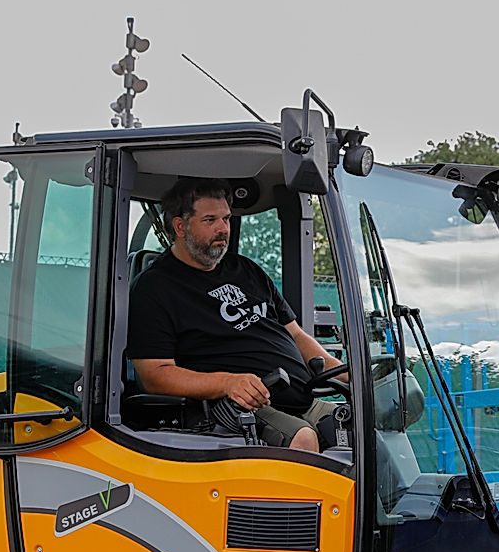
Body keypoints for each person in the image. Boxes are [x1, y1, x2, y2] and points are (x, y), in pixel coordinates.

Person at [127, 178, 344, 452]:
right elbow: (154, 376)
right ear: (180, 226)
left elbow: (296, 334)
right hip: (233, 407)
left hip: (302, 398)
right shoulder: (155, 288)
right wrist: (228, 383)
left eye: (226, 219)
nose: (223, 229)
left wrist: (347, 374)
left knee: (361, 426)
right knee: (302, 438)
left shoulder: (246, 269)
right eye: (210, 220)